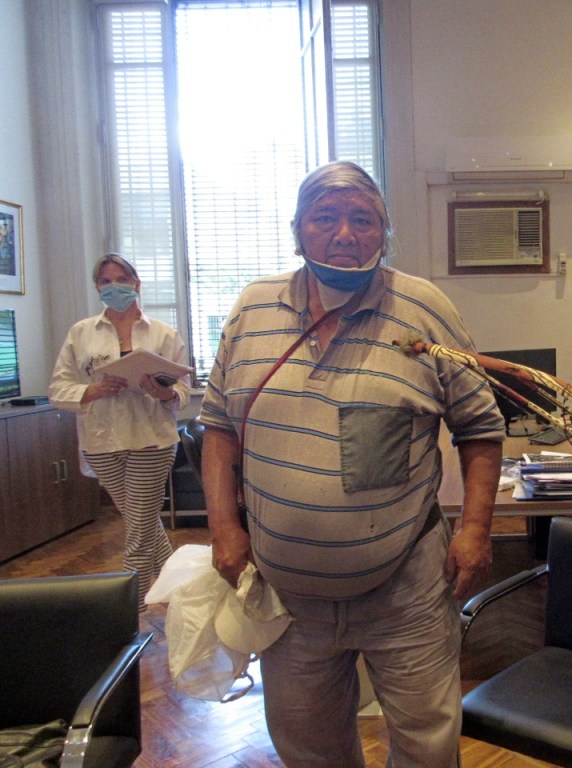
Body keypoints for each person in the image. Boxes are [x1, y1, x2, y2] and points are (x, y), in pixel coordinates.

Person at [200, 161, 505, 768]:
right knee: (308, 748)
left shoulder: (424, 308)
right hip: (289, 600)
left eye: (362, 220)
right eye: (325, 218)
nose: (344, 233)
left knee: (427, 748)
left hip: (407, 592)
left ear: (383, 235)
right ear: (297, 230)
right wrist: (224, 528)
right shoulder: (252, 309)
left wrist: (475, 530)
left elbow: (480, 427)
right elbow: (218, 428)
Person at [49, 253, 190, 611]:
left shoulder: (163, 333)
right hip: (101, 442)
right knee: (143, 523)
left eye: (122, 279)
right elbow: (58, 390)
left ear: (136, 283)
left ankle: (130, 613)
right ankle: (181, 592)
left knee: (137, 533)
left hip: (151, 439)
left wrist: (164, 393)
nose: (114, 286)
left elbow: (183, 390)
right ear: (97, 287)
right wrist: (93, 390)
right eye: (105, 281)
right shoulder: (81, 333)